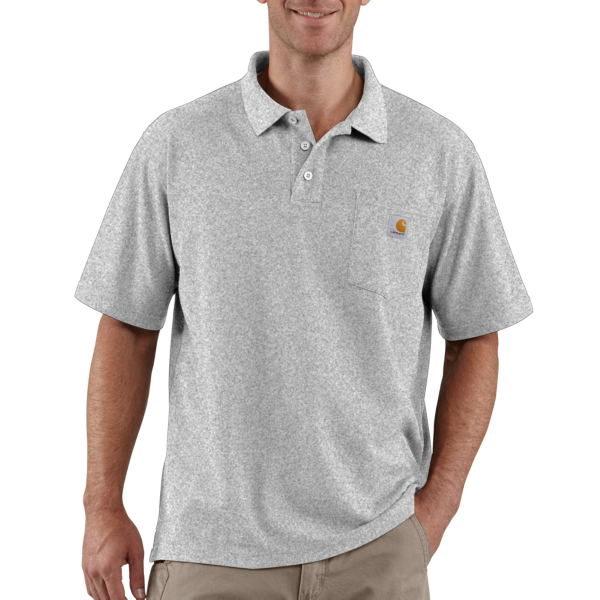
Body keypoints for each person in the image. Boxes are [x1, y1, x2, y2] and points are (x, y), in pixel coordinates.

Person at [76, 1, 533, 599]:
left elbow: (475, 336)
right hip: (211, 555)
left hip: (379, 551)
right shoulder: (177, 144)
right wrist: (102, 504)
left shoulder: (438, 153)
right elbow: (129, 328)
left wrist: (435, 513)